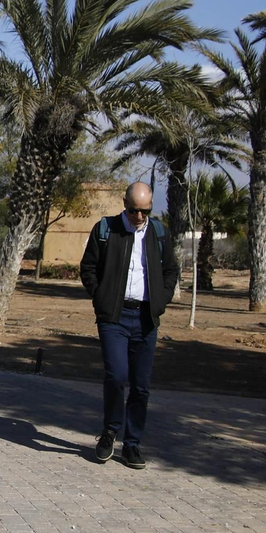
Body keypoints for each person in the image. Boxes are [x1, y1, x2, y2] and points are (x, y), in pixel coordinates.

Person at [78, 181, 179, 470]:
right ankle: (109, 432)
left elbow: (171, 270)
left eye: (145, 211)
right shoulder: (106, 229)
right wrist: (101, 297)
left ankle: (132, 444)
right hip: (114, 316)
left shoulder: (158, 232)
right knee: (116, 376)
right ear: (124, 204)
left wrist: (161, 301)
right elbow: (88, 267)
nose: (139, 216)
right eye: (134, 210)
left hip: (146, 317)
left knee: (141, 385)